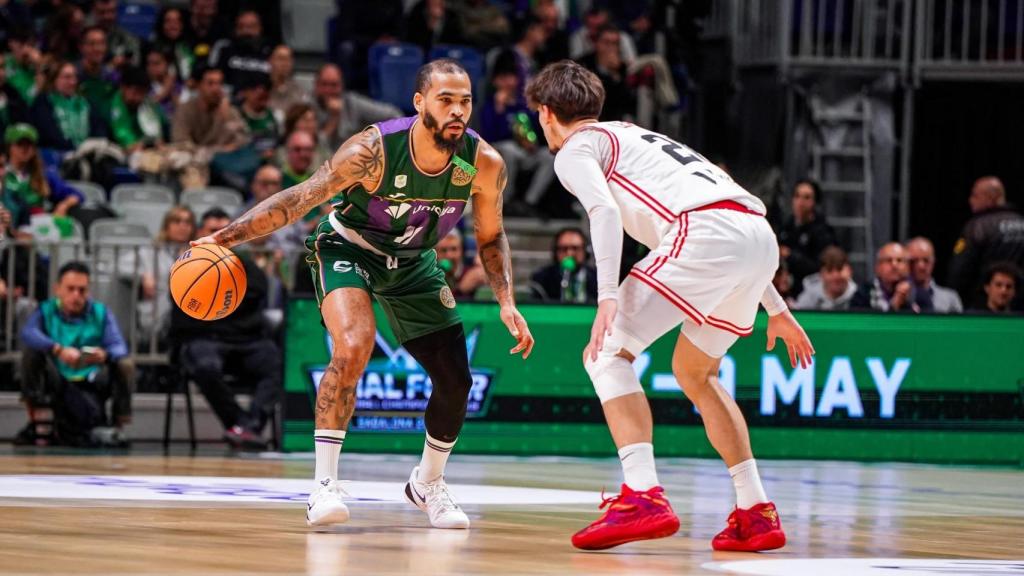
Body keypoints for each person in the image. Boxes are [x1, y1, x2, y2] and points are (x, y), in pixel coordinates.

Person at [191, 58, 534, 529]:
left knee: (457, 381)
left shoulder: (484, 163)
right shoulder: (372, 150)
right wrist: (225, 238)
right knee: (354, 345)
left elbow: (491, 237)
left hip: (414, 261)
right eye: (446, 100)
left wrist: (506, 301)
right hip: (348, 247)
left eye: (465, 101)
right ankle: (324, 485)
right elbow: (300, 198)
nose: (457, 111)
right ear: (420, 102)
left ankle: (427, 483)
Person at [525, 60, 813, 552]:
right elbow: (733, 225)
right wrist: (776, 307)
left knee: (605, 354)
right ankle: (756, 511)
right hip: (758, 236)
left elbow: (603, 210)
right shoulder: (634, 133)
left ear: (547, 113)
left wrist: (607, 296)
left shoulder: (575, 148)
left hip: (704, 232)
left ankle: (642, 495)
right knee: (696, 373)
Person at [169, 208, 280, 450]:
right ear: (201, 232)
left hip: (245, 339)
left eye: (224, 231)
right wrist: (226, 301)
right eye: (212, 231)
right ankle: (239, 423)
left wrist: (220, 300)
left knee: (274, 362)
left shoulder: (244, 263)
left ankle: (252, 425)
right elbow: (181, 308)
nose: (219, 236)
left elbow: (259, 291)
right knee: (204, 365)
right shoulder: (189, 264)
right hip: (204, 338)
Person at [18, 261, 134, 447]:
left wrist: (104, 354)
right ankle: (38, 419)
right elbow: (28, 333)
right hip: (57, 375)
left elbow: (119, 346)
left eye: (82, 290)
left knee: (125, 364)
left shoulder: (101, 312)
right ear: (58, 289)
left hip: (92, 374)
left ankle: (118, 424)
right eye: (70, 289)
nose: (76, 295)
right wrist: (57, 349)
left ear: (89, 291)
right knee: (31, 352)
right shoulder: (45, 310)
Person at [947, 176, 1024, 308]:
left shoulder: (976, 227)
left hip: (984, 308)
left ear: (990, 198)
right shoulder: (1022, 222)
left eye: (975, 195)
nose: (970, 200)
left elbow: (959, 271)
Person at [312, 63, 402, 150]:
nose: (328, 90)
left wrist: (374, 139)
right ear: (316, 85)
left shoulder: (352, 103)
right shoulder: (308, 107)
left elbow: (394, 114)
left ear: (342, 86)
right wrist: (333, 118)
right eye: (324, 84)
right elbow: (314, 148)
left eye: (334, 85)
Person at [777, 179, 838, 296]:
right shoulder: (786, 227)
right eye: (797, 196)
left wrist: (790, 256)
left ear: (815, 202)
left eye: (807, 197)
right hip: (785, 291)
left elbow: (823, 267)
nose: (801, 202)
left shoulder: (823, 232)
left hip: (813, 291)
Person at [851, 242, 927, 313]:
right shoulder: (863, 294)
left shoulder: (920, 293)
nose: (894, 265)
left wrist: (908, 304)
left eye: (899, 260)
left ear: (907, 267)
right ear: (877, 267)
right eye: (888, 260)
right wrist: (894, 306)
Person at [530, 227, 598, 302]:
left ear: (586, 251)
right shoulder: (542, 279)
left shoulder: (598, 278)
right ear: (556, 252)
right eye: (564, 249)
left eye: (575, 248)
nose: (569, 253)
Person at [905, 237, 962, 314]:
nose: (921, 266)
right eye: (914, 261)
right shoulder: (897, 296)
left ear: (933, 261)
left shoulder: (950, 298)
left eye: (926, 260)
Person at [793, 245, 857, 310]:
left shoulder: (859, 297)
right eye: (829, 270)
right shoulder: (809, 297)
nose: (835, 276)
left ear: (850, 271)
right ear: (821, 274)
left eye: (839, 269)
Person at [435, 228, 487, 299]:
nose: (449, 256)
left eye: (454, 249)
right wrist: (460, 290)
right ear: (435, 254)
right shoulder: (431, 278)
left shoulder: (470, 274)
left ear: (461, 251)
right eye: (443, 250)